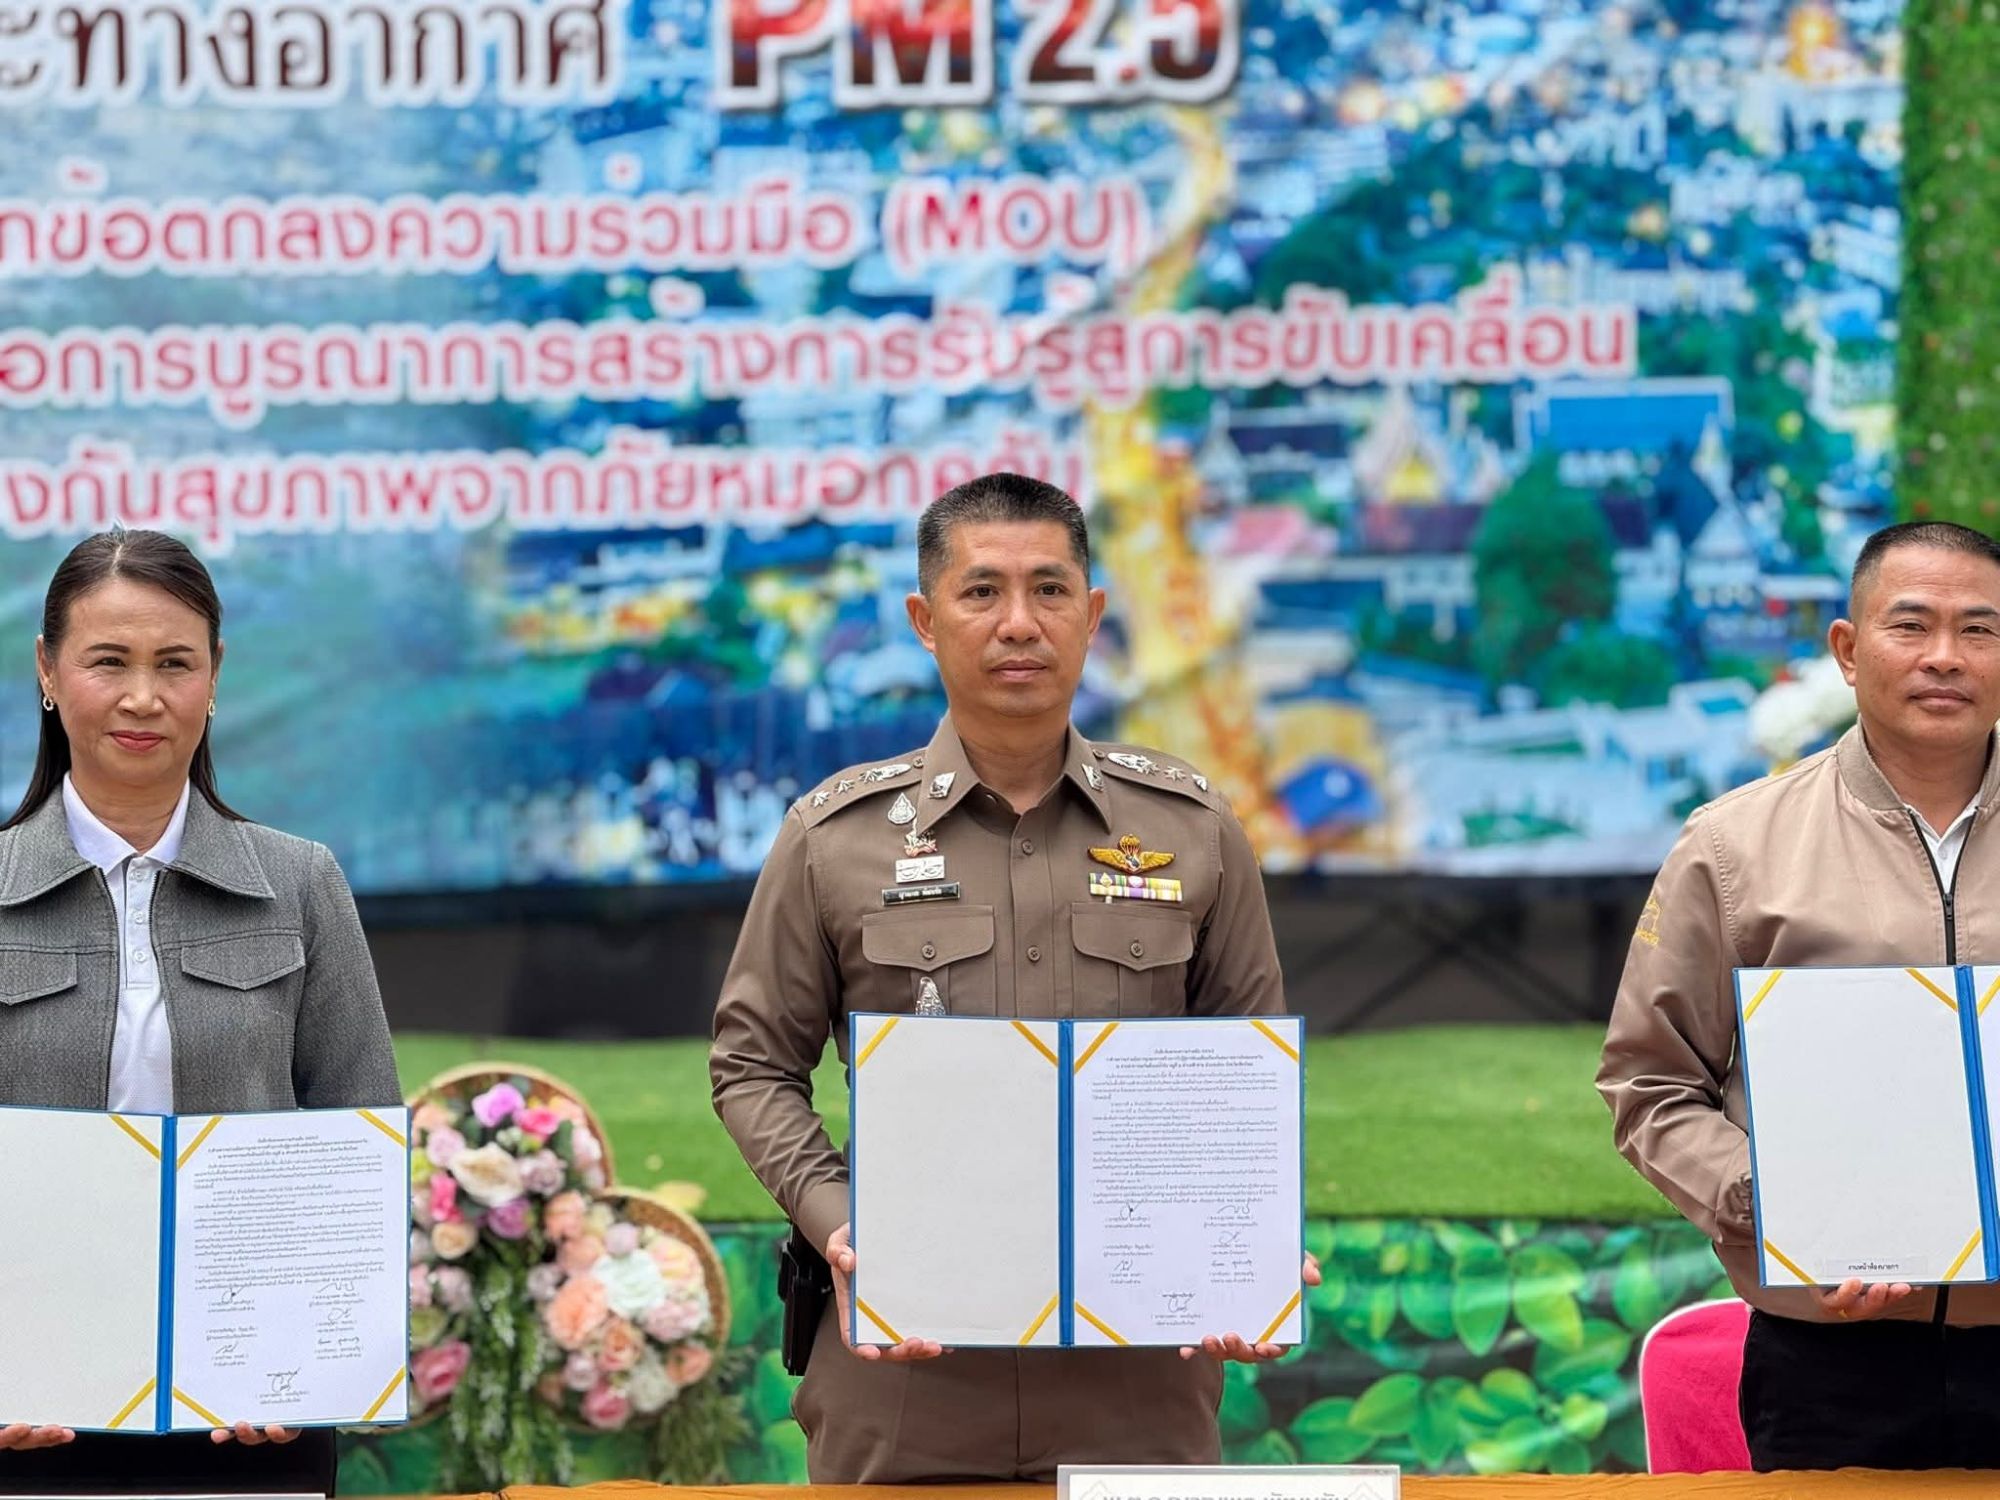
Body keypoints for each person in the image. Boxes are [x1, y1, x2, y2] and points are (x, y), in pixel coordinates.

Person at [710, 472, 1315, 1484]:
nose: (1019, 622)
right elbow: (751, 1066)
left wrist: (1245, 1245)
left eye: (1048, 589)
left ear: (1092, 615)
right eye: (981, 591)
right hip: (906, 1369)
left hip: (1136, 1375)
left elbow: (1243, 1077)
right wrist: (843, 1226)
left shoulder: (1193, 830)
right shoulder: (833, 838)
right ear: (924, 620)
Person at [0, 530, 400, 1494]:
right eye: (108, 661)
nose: (143, 697)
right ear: (48, 671)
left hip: (254, 1413)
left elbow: (358, 1149)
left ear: (215, 676)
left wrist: (312, 1360)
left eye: (174, 663)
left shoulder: (302, 884)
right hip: (26, 1408)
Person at [1600, 520, 2000, 1471]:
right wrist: (1779, 1208)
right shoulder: (1735, 846)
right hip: (1828, 1360)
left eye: (1979, 630)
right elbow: (1650, 1085)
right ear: (1848, 652)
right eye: (1912, 625)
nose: (1946, 656)